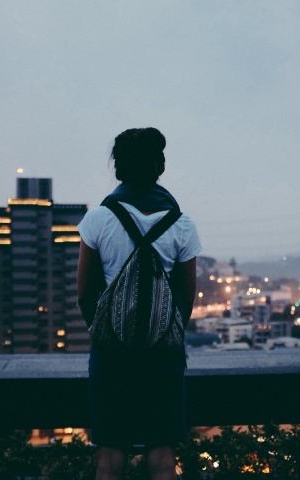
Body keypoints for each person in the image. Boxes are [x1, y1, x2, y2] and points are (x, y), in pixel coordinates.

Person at [77, 127, 202, 480]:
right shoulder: (182, 225)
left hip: (111, 353)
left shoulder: (98, 220)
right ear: (158, 166)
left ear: (118, 168)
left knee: (110, 457)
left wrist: (106, 335)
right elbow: (185, 299)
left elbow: (85, 293)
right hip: (162, 354)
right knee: (162, 456)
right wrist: (162, 332)